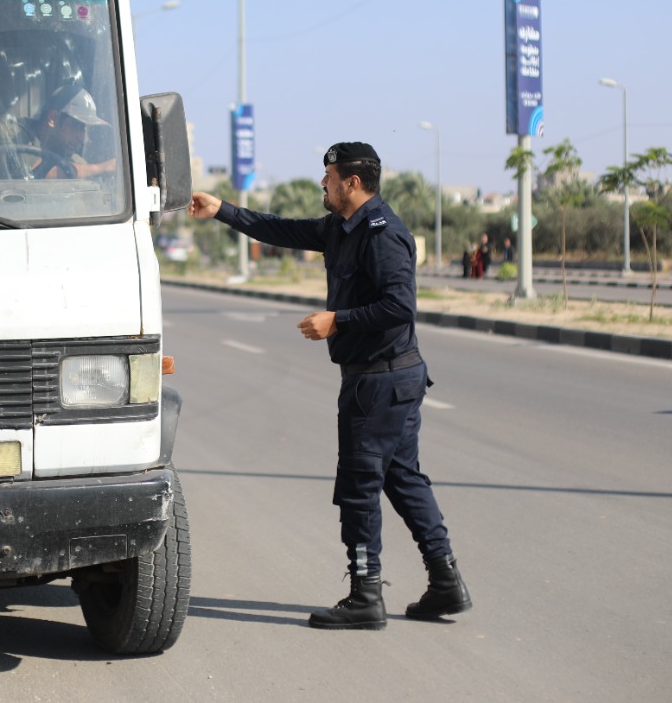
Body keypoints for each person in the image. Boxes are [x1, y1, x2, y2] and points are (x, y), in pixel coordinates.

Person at [188, 142, 471, 630]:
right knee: (403, 480)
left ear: (352, 183)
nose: (324, 183)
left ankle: (365, 596)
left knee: (360, 488)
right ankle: (445, 581)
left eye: (330, 177)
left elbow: (399, 306)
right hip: (387, 379)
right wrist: (222, 210)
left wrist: (337, 320)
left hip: (379, 382)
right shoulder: (341, 228)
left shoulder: (382, 234)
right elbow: (280, 228)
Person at [0, 83, 116, 180]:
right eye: (77, 126)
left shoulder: (72, 157)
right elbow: (32, 173)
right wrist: (102, 168)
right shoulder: (13, 134)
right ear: (53, 119)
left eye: (84, 129)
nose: (83, 138)